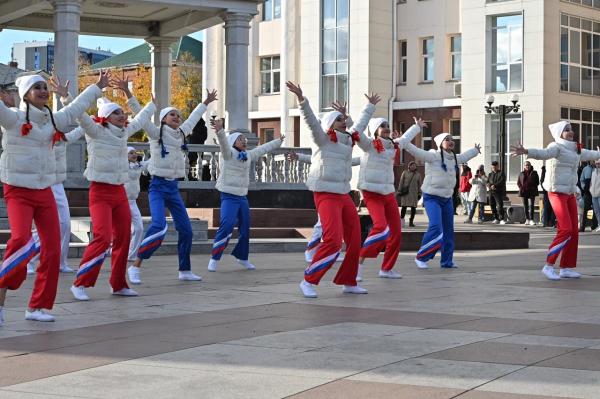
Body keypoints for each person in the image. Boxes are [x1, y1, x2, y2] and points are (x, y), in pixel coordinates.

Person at [0, 71, 108, 322]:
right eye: (36, 87)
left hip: (45, 190)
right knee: (21, 240)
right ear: (25, 94)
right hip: (18, 190)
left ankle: (37, 307)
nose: (43, 90)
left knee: (52, 250)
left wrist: (96, 87)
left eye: (44, 87)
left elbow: (76, 107)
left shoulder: (54, 121)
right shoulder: (12, 118)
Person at [287, 81, 376, 298]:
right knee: (334, 240)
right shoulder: (323, 139)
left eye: (343, 119)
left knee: (355, 238)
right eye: (339, 119)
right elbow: (310, 121)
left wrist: (369, 107)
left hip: (343, 193)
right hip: (325, 193)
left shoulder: (347, 142)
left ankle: (349, 281)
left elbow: (360, 126)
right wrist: (301, 99)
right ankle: (309, 280)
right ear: (330, 124)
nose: (343, 122)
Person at [69, 94, 156, 301]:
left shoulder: (124, 132)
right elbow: (80, 115)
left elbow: (141, 119)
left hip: (119, 192)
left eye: (122, 111)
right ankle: (80, 283)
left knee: (124, 237)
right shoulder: (95, 130)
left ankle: (118, 284)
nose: (122, 114)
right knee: (102, 237)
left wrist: (153, 104)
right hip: (100, 192)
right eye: (116, 112)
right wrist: (66, 98)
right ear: (106, 117)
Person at [126, 88, 217, 285]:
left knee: (186, 230)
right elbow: (139, 115)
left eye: (178, 114)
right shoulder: (155, 133)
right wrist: (128, 93)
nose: (176, 117)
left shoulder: (182, 133)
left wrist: (205, 102)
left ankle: (184, 270)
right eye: (172, 114)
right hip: (157, 187)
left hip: (173, 188)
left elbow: (193, 118)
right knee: (159, 225)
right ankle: (135, 265)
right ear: (163, 119)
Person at [511, 121, 600, 280]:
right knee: (565, 229)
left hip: (570, 193)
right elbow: (544, 153)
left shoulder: (576, 149)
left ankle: (566, 268)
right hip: (556, 192)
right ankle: (548, 265)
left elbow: (590, 154)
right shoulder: (556, 146)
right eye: (566, 130)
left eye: (571, 129)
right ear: (559, 133)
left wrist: (598, 154)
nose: (570, 132)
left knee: (574, 232)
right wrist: (527, 151)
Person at [353, 115, 426, 281]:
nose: (386, 127)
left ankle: (386, 268)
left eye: (387, 125)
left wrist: (416, 127)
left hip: (387, 192)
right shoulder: (369, 144)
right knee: (380, 227)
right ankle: (358, 264)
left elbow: (405, 138)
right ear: (375, 130)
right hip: (371, 192)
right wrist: (365, 111)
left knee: (396, 233)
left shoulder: (393, 145)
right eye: (382, 125)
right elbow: (356, 131)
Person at [207, 118, 283, 272]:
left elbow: (262, 149)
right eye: (241, 139)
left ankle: (242, 257)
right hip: (228, 196)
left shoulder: (247, 155)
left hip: (242, 197)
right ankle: (215, 257)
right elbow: (222, 142)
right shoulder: (228, 154)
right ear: (233, 142)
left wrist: (278, 141)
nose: (244, 141)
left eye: (245, 139)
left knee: (245, 226)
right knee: (227, 225)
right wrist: (220, 130)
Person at [398, 127, 480, 269]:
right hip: (432, 198)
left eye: (452, 139)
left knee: (449, 231)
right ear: (440, 143)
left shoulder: (454, 158)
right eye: (447, 139)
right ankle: (421, 257)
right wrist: (404, 142)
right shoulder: (433, 156)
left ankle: (446, 261)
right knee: (436, 226)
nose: (450, 141)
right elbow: (416, 151)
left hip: (447, 199)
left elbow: (464, 156)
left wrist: (475, 150)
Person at [124, 147, 149, 263]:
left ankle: (132, 255)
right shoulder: (121, 166)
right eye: (131, 153)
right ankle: (112, 250)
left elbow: (150, 162)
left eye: (135, 153)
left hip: (133, 202)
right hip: (121, 202)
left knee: (139, 228)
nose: (134, 155)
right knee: (121, 231)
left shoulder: (139, 166)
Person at [398, 161, 421, 227]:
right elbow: (401, 182)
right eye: (412, 165)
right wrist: (399, 190)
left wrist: (419, 193)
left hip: (414, 193)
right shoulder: (405, 173)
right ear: (409, 166)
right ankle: (402, 222)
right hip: (405, 193)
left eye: (414, 165)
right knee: (404, 207)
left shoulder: (418, 174)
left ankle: (411, 222)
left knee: (413, 208)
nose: (413, 166)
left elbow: (419, 185)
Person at [517, 161, 540, 226]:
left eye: (528, 165)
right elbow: (518, 182)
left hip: (532, 191)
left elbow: (537, 182)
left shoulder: (534, 173)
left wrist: (532, 186)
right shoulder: (521, 173)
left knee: (531, 205)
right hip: (524, 191)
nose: (527, 166)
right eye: (526, 165)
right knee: (525, 206)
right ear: (524, 166)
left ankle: (531, 220)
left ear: (530, 166)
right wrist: (521, 188)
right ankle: (527, 219)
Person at [579, 161, 595, 232]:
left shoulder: (597, 169)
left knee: (595, 210)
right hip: (587, 193)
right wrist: (584, 187)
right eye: (592, 160)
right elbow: (581, 180)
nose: (593, 162)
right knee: (586, 210)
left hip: (595, 192)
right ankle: (583, 227)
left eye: (594, 160)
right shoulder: (585, 169)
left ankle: (594, 226)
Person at [590, 160, 600, 232]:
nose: (597, 165)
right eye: (596, 163)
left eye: (599, 163)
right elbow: (591, 183)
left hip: (599, 194)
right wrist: (590, 190)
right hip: (593, 194)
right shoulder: (593, 172)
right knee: (596, 211)